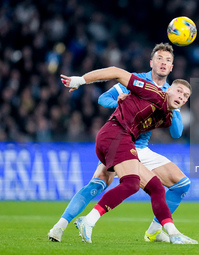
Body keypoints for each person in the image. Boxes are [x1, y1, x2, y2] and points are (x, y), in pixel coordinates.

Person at [47, 43, 191, 243]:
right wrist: (119, 101)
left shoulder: (172, 92)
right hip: (119, 138)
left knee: (181, 184)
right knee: (98, 184)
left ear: (172, 68)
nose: (163, 63)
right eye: (159, 58)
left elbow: (176, 133)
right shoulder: (139, 81)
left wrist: (175, 104)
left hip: (140, 147)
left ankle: (157, 231)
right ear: (152, 62)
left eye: (168, 61)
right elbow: (103, 98)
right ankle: (60, 226)